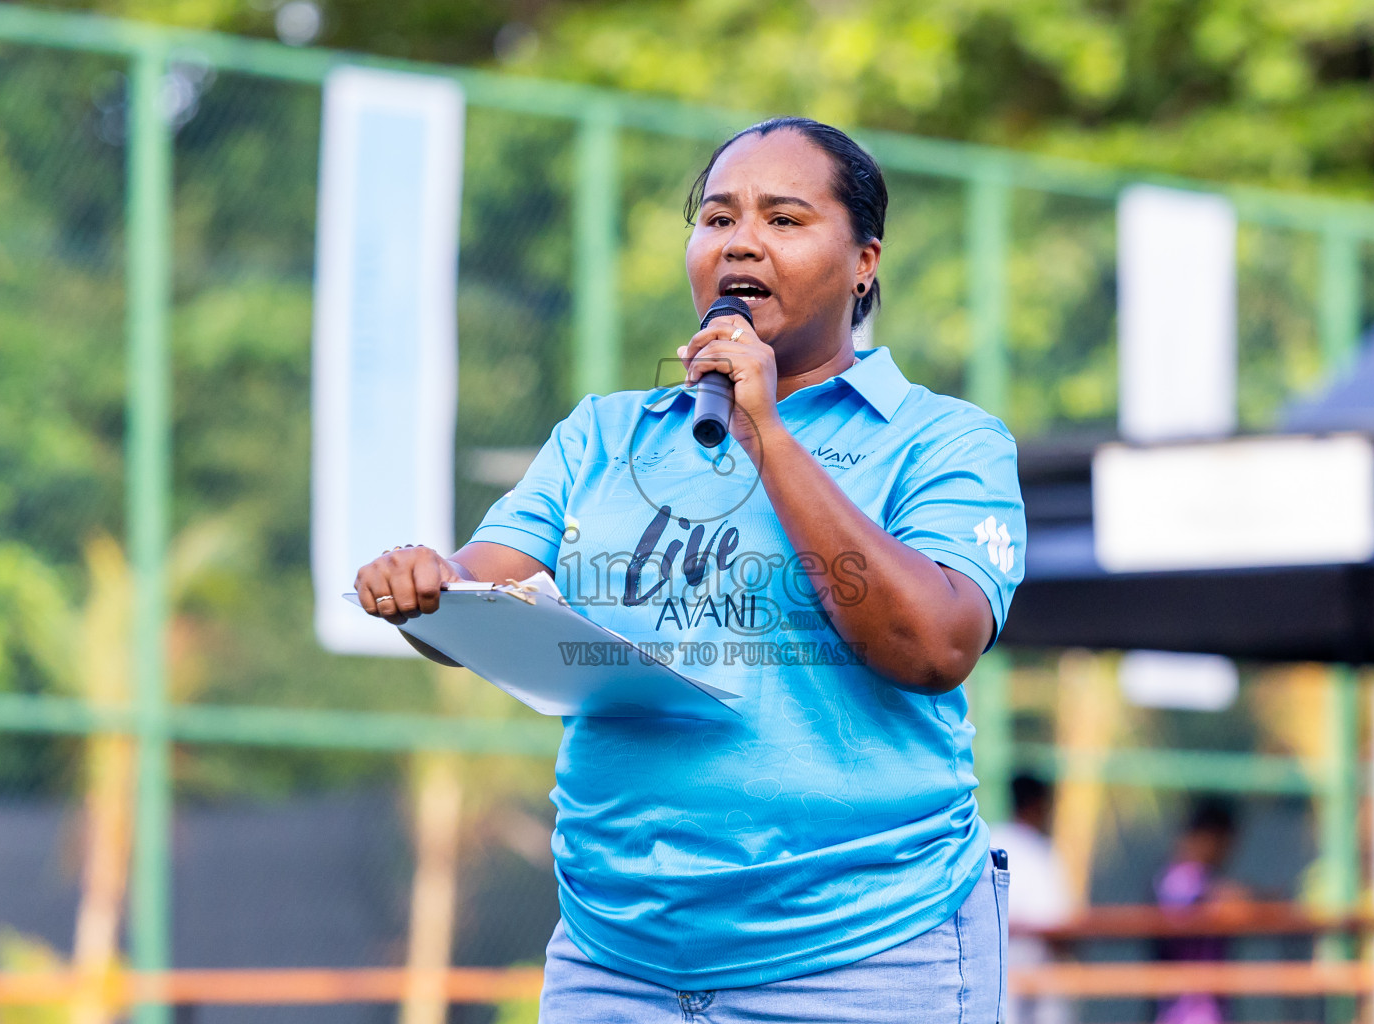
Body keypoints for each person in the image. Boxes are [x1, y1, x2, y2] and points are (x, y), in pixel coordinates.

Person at [354, 117, 1027, 1022]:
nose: (742, 239)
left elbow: (934, 645)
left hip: (861, 953)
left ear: (864, 261)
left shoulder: (945, 441)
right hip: (614, 959)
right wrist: (425, 589)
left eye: (784, 220)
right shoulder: (602, 435)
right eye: (717, 218)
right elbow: (484, 581)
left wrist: (767, 434)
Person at [1154, 796, 1250, 1024]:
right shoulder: (1178, 879)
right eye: (1224, 843)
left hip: (1208, 1010)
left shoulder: (1204, 879)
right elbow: (1203, 898)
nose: (1226, 853)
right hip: (1183, 1011)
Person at [989, 775, 1074, 1024]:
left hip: (994, 968)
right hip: (1029, 971)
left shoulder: (991, 840)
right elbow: (1058, 928)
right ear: (1038, 805)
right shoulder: (1042, 852)